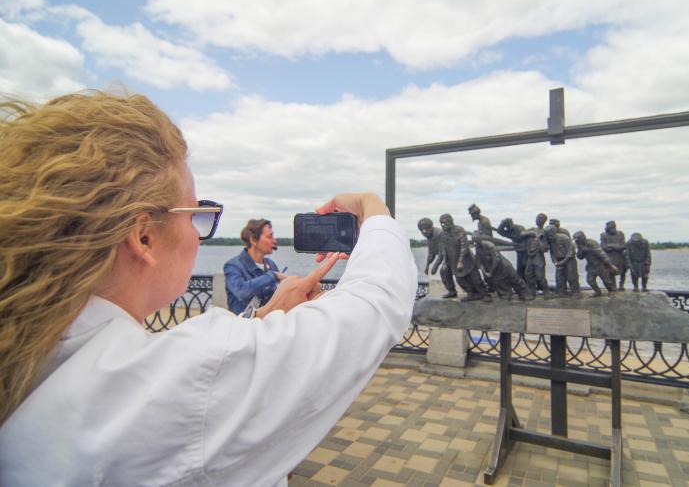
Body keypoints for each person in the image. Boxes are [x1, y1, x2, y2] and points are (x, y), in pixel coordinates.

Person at [0, 91, 417, 486]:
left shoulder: (32, 351)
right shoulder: (176, 381)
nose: (201, 236)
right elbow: (376, 302)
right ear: (143, 237)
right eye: (197, 214)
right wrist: (369, 206)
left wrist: (264, 319)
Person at [224, 218, 286, 314]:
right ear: (253, 240)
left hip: (266, 324)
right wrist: (273, 275)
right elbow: (242, 291)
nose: (274, 241)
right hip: (242, 325)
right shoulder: (233, 266)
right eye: (270, 237)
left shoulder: (271, 264)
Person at [432, 213, 490, 302]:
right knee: (461, 280)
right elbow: (442, 251)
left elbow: (464, 245)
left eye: (444, 223)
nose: (443, 225)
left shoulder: (459, 230)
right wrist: (436, 265)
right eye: (441, 223)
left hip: (466, 260)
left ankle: (484, 294)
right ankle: (470, 294)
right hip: (453, 262)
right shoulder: (442, 235)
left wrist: (460, 261)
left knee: (476, 279)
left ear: (450, 222)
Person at [473, 232, 532, 301]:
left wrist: (491, 271)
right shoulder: (478, 248)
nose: (476, 242)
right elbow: (479, 262)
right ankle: (506, 294)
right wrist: (485, 272)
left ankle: (525, 294)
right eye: (474, 241)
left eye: (477, 240)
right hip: (494, 270)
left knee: (515, 279)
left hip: (503, 266)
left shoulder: (490, 245)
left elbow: (496, 259)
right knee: (498, 282)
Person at [418, 217, 457, 298]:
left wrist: (435, 266)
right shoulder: (429, 238)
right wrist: (427, 266)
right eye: (422, 231)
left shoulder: (439, 233)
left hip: (453, 255)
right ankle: (452, 291)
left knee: (457, 275)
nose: (424, 233)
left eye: (425, 230)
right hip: (446, 258)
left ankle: (474, 291)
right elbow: (431, 253)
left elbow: (441, 252)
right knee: (444, 273)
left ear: (430, 228)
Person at [574, 230, 618, 297]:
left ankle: (611, 291)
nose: (576, 241)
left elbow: (601, 254)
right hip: (591, 266)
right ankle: (597, 292)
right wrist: (581, 250)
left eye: (578, 240)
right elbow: (580, 257)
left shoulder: (592, 243)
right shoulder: (580, 245)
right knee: (590, 280)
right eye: (576, 240)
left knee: (606, 281)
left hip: (600, 265)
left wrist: (610, 265)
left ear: (582, 238)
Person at [544, 225, 581, 297]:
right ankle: (561, 292)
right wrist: (555, 262)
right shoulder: (550, 241)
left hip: (569, 260)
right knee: (559, 277)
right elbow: (552, 252)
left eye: (551, 235)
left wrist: (563, 261)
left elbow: (571, 252)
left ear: (554, 233)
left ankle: (575, 292)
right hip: (559, 260)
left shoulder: (565, 238)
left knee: (571, 276)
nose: (550, 237)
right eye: (548, 236)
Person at [601, 220, 627, 291]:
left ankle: (621, 285)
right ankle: (614, 286)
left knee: (622, 271)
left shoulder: (620, 234)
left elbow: (623, 246)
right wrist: (616, 246)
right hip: (609, 257)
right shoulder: (603, 235)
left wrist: (611, 245)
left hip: (620, 257)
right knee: (610, 272)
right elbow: (604, 247)